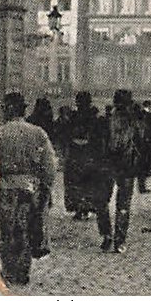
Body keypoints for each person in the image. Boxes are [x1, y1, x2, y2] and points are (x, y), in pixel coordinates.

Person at [0, 92, 57, 285]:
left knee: (8, 229)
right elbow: (49, 166)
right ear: (24, 110)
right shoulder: (38, 133)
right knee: (25, 227)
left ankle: (9, 269)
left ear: (7, 110)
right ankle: (23, 271)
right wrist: (46, 189)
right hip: (31, 188)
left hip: (6, 188)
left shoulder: (0, 133)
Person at [98, 90, 141, 253]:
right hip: (127, 167)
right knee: (123, 205)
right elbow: (142, 142)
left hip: (107, 166)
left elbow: (100, 145)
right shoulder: (134, 122)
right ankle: (120, 240)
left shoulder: (106, 121)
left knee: (102, 202)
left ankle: (106, 234)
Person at [62, 92, 103, 222]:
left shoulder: (73, 117)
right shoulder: (95, 118)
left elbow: (66, 135)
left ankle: (80, 208)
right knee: (88, 182)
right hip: (89, 154)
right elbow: (99, 138)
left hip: (76, 154)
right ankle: (86, 208)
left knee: (75, 182)